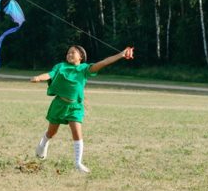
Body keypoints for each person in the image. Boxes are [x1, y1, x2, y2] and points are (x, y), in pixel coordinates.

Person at [30, 44, 133, 173]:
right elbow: (50, 74)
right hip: (59, 104)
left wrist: (121, 55)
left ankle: (78, 163)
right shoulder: (60, 67)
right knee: (52, 132)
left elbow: (104, 62)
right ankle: (43, 143)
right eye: (68, 53)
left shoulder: (84, 69)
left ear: (81, 57)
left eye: (73, 52)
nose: (69, 54)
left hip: (75, 106)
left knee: (77, 133)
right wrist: (39, 77)